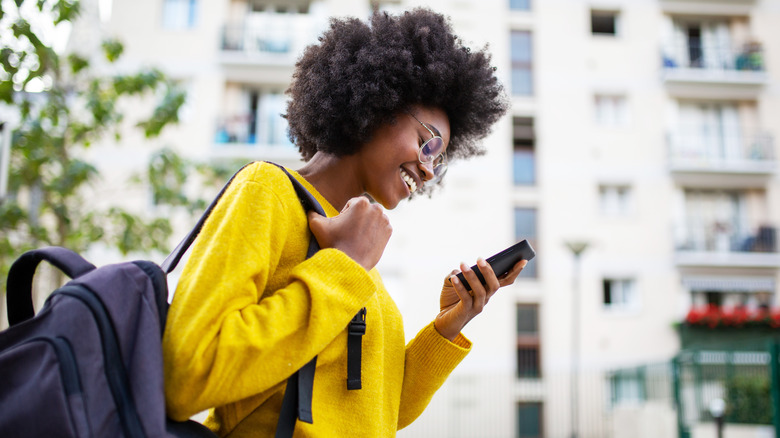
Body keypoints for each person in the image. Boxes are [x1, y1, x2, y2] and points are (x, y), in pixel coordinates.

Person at [162, 8, 526, 437]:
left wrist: (449, 325)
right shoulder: (269, 192)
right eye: (428, 143)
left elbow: (378, 411)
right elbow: (188, 372)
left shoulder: (358, 253)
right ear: (378, 104)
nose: (429, 170)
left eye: (440, 160)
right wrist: (342, 267)